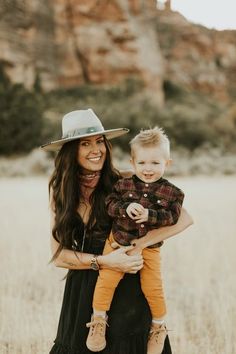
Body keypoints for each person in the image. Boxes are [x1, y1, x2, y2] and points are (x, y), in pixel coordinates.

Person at [41, 108, 193, 354]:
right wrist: (105, 261)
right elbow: (59, 256)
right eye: (85, 144)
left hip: (128, 283)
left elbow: (184, 219)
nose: (96, 149)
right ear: (70, 151)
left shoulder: (124, 181)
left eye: (99, 141)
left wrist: (138, 246)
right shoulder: (61, 192)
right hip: (84, 288)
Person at [87, 127, 184, 354]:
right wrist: (126, 207)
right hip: (117, 243)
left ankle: (158, 326)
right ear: (133, 162)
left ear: (167, 163)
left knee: (153, 287)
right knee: (105, 282)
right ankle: (98, 321)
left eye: (155, 163)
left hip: (149, 249)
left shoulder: (173, 192)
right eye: (141, 163)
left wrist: (151, 216)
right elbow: (109, 205)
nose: (148, 169)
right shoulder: (123, 185)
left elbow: (173, 217)